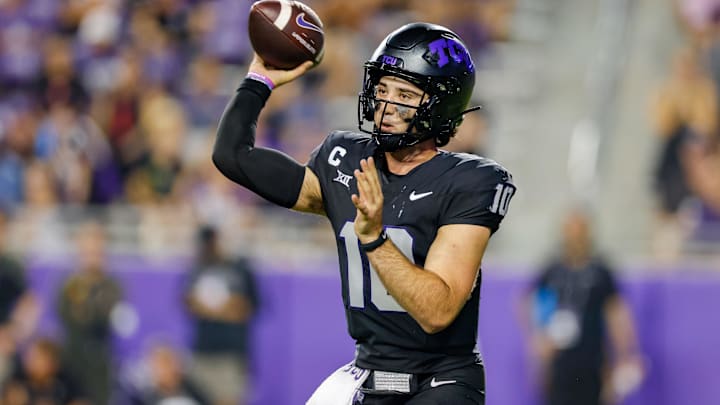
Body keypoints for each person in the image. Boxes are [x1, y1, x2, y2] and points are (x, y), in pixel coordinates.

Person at [213, 22, 516, 404]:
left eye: (405, 94)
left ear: (440, 106)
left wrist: (374, 237)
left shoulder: (470, 180)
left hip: (440, 380)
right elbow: (233, 157)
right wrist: (259, 80)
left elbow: (436, 311)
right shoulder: (346, 159)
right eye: (382, 88)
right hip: (369, 373)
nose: (386, 106)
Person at [522, 210, 644, 405]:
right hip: (560, 362)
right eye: (570, 231)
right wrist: (538, 338)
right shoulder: (553, 270)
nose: (575, 237)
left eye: (579, 231)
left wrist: (625, 354)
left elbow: (617, 314)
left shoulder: (600, 271)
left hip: (591, 359)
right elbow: (529, 301)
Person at [184, 225, 259, 405]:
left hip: (230, 352)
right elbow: (187, 301)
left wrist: (216, 310)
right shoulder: (198, 267)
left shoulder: (240, 269)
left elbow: (249, 307)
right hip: (202, 351)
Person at [57, 221, 123, 405]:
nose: (92, 255)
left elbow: (103, 316)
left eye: (96, 249)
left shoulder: (111, 285)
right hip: (73, 358)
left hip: (98, 359)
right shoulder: (71, 283)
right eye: (87, 249)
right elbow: (70, 316)